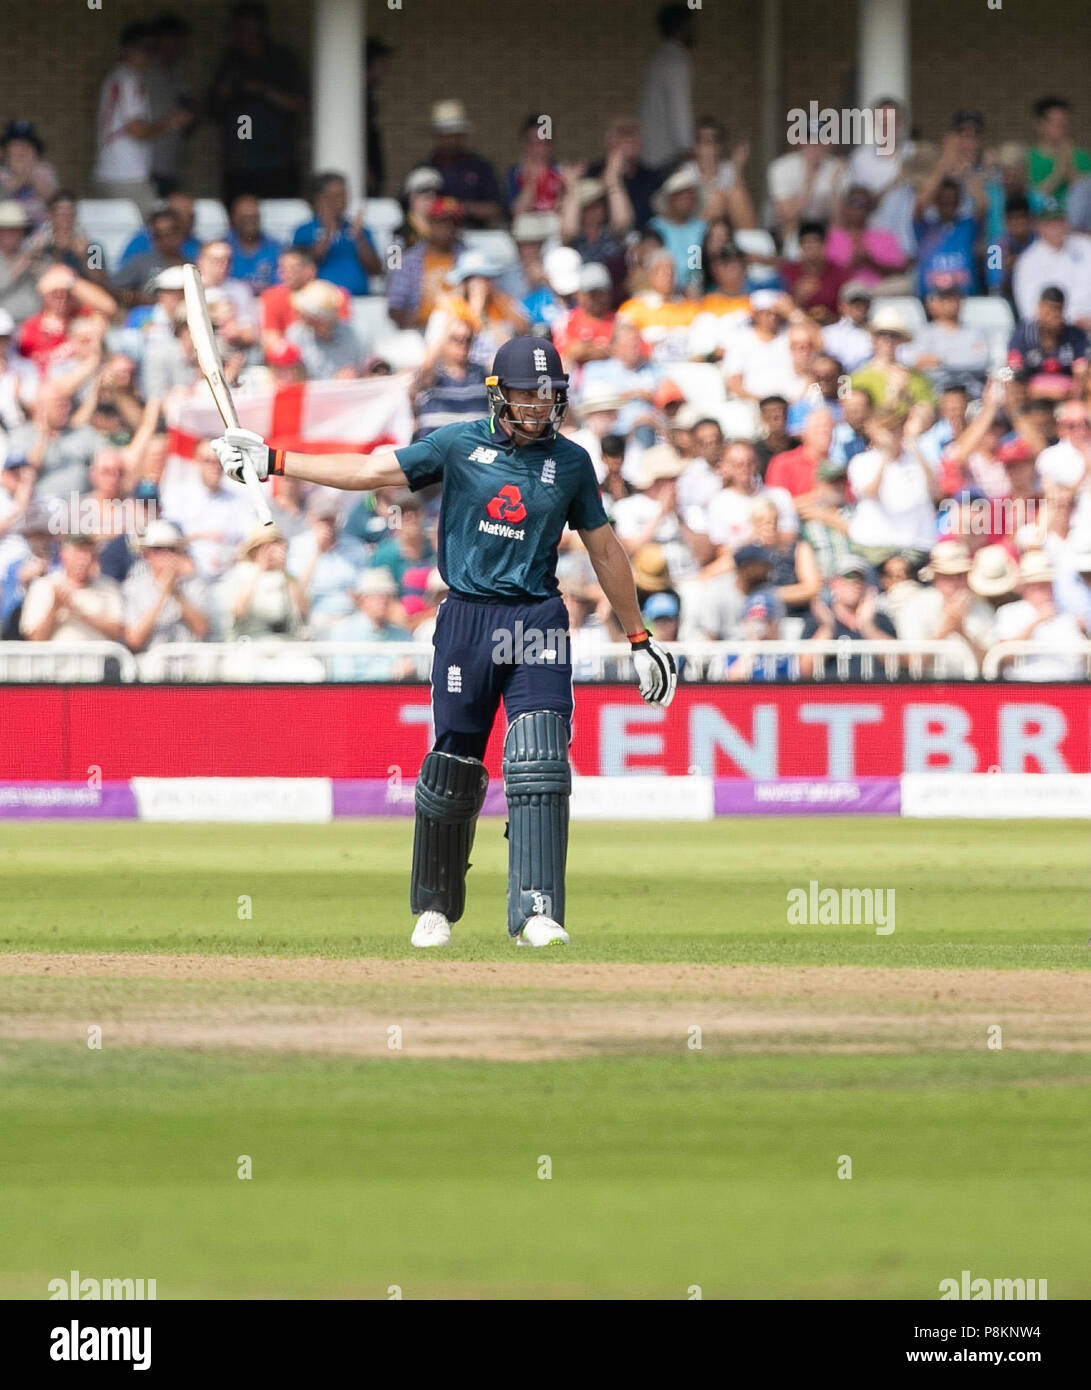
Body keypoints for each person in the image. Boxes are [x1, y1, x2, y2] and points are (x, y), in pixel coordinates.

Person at [210, 337, 677, 949]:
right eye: (526, 396)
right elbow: (372, 470)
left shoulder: (570, 462)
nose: (538, 408)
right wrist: (274, 460)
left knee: (540, 756)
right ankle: (434, 907)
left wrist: (638, 637)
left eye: (549, 397)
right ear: (497, 395)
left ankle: (536, 911)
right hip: (465, 619)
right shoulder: (457, 444)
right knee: (454, 763)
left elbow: (606, 550)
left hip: (534, 618)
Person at [208, 1, 307, 204]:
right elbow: (212, 108)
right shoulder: (230, 62)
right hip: (238, 165)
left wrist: (263, 91)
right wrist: (225, 92)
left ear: (259, 28)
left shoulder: (280, 59)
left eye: (246, 28)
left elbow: (300, 104)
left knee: (278, 216)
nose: (241, 35)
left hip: (277, 163)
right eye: (236, 29)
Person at [93, 23, 190, 215]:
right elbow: (137, 130)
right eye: (141, 48)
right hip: (124, 175)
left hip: (120, 173)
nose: (147, 54)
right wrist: (169, 121)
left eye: (152, 49)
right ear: (124, 50)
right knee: (157, 227)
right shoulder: (127, 79)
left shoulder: (125, 77)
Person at [123, 518, 209, 651]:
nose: (166, 554)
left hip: (189, 664)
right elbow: (134, 640)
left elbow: (202, 629)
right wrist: (163, 595)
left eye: (171, 549)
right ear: (146, 554)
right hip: (150, 664)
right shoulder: (133, 588)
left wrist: (176, 593)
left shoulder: (194, 584)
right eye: (158, 549)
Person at [20, 534, 124, 643]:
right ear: (64, 555)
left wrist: (78, 611)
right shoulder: (43, 586)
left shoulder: (109, 587)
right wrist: (55, 607)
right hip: (57, 658)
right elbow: (35, 639)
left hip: (97, 659)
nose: (85, 559)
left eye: (89, 552)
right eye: (79, 552)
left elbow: (118, 632)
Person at [292, 171, 381, 296]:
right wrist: (327, 233)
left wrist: (360, 238)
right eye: (336, 196)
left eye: (344, 195)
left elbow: (375, 270)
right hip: (318, 304)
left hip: (359, 302)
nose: (342, 201)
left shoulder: (360, 229)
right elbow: (302, 268)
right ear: (320, 199)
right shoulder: (304, 231)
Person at [386, 196, 464, 330]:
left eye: (453, 223)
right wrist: (412, 325)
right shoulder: (408, 259)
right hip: (420, 330)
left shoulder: (469, 257)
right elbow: (394, 306)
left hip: (461, 330)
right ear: (430, 224)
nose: (448, 227)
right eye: (441, 222)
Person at [423, 100, 502, 229]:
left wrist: (461, 208)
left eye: (452, 133)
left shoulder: (479, 167)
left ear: (462, 135)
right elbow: (408, 208)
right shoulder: (425, 169)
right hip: (434, 238)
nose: (448, 139)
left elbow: (495, 209)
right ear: (435, 136)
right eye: (443, 134)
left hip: (473, 236)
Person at [1012, 203, 1091, 329]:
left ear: (1067, 224)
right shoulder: (1028, 261)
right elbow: (1029, 312)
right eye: (1050, 224)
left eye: (1059, 222)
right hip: (1057, 333)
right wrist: (1073, 320)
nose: (1056, 228)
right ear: (1039, 227)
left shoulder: (1086, 246)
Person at [639, 4, 696, 170]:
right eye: (693, 25)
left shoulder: (656, 59)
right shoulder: (676, 62)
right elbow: (680, 109)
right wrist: (688, 150)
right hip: (669, 157)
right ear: (683, 27)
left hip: (650, 153)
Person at [146, 13, 195, 197]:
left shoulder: (175, 73)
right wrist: (169, 120)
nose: (179, 47)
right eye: (174, 41)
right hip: (147, 165)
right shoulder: (146, 72)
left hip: (171, 162)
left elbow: (190, 106)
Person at [1027, 97, 1091, 215]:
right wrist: (1059, 172)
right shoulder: (1027, 159)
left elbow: (1086, 195)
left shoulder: (1083, 158)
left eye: (1064, 123)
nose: (1062, 128)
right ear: (1039, 125)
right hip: (1041, 225)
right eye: (1056, 124)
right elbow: (1032, 198)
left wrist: (1070, 167)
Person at [0, 121, 59, 230]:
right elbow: (2, 196)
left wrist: (31, 173)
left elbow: (55, 200)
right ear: (6, 149)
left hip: (40, 230)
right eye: (16, 144)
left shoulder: (45, 170)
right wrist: (22, 175)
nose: (21, 149)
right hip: (8, 232)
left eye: (25, 144)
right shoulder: (2, 172)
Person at [226, 194, 282, 293]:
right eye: (245, 217)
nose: (250, 222)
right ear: (233, 218)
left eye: (254, 217)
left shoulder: (275, 247)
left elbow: (280, 286)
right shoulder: (223, 247)